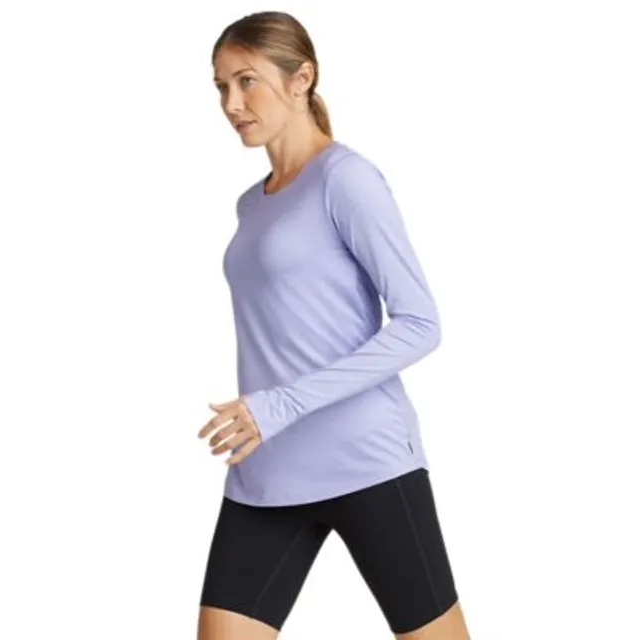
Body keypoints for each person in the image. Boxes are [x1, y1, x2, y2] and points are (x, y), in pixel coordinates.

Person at [197, 11, 471, 640]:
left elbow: (420, 322)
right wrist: (269, 415)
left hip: (366, 462)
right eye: (220, 87)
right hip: (267, 471)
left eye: (247, 81)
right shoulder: (252, 203)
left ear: (302, 79)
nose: (232, 103)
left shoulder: (346, 180)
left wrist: (279, 404)